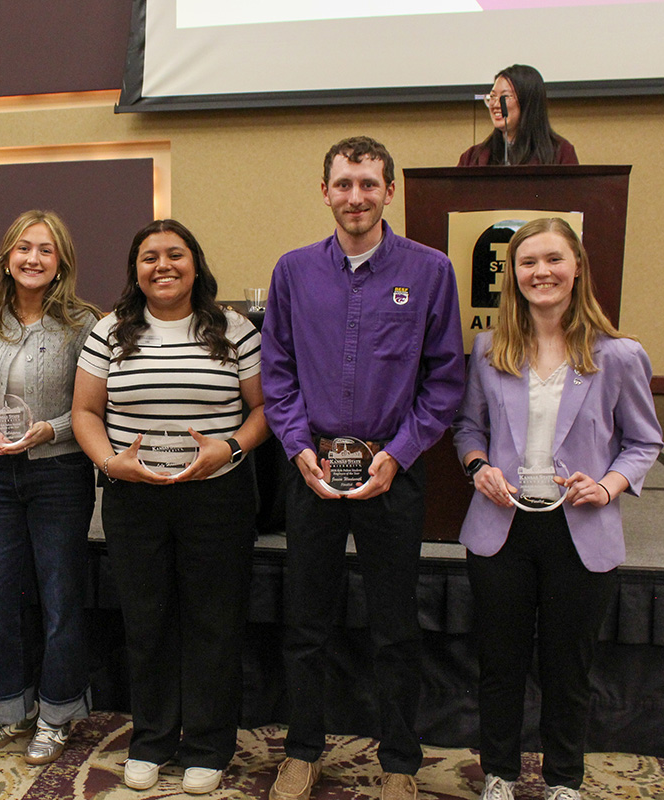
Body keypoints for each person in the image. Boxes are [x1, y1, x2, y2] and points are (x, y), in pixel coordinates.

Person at [261, 137, 465, 800]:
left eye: (368, 184)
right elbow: (278, 373)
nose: (355, 197)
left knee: (395, 627)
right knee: (306, 620)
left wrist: (398, 455)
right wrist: (296, 447)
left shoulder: (430, 271)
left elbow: (444, 381)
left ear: (390, 191)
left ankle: (400, 761)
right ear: (325, 191)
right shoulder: (292, 271)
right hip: (311, 467)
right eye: (343, 184)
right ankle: (302, 750)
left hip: (390, 470)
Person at [453, 218, 662, 800]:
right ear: (512, 276)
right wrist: (477, 467)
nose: (540, 272)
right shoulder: (489, 348)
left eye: (552, 260)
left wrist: (611, 484)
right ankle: (498, 773)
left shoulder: (619, 354)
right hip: (501, 529)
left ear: (576, 269)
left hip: (581, 530)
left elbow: (645, 442)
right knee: (500, 663)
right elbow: (467, 427)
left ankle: (564, 780)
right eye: (527, 263)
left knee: (568, 671)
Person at [73, 219, 269, 795]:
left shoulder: (234, 328)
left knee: (214, 621)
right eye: (149, 256)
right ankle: (152, 739)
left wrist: (228, 447)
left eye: (175, 255)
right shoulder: (110, 330)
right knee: (147, 620)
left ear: (195, 263)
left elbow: (262, 411)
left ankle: (209, 744)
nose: (163, 266)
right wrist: (111, 463)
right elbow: (85, 411)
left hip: (218, 495)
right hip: (135, 497)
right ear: (135, 269)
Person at [0, 210, 101, 765]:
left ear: (61, 260)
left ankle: (57, 713)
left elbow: (95, 406)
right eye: (23, 248)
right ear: (7, 256)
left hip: (61, 472)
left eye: (45, 250)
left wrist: (51, 430)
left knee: (60, 597)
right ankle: (3, 710)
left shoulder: (84, 323)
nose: (33, 259)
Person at [458, 64, 579, 166]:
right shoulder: (473, 158)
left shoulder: (560, 153)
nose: (495, 104)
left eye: (505, 97)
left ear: (528, 101)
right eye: (492, 96)